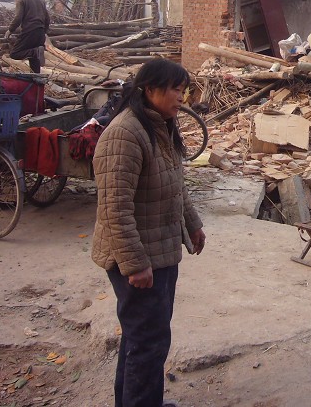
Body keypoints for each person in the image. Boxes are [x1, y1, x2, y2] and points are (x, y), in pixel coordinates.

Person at [92, 59, 205, 407]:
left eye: (183, 89)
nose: (180, 97)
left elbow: (175, 183)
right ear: (149, 89)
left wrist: (193, 224)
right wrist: (135, 263)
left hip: (161, 251)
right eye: (174, 89)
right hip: (140, 260)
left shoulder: (160, 127)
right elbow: (115, 208)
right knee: (148, 342)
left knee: (141, 338)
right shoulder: (125, 134)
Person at [5, 0, 50, 73]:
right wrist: (44, 31)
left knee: (15, 53)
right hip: (40, 32)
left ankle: (34, 52)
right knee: (34, 61)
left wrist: (10, 30)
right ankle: (36, 82)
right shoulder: (41, 1)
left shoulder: (22, 0)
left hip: (29, 31)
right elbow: (47, 19)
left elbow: (18, 18)